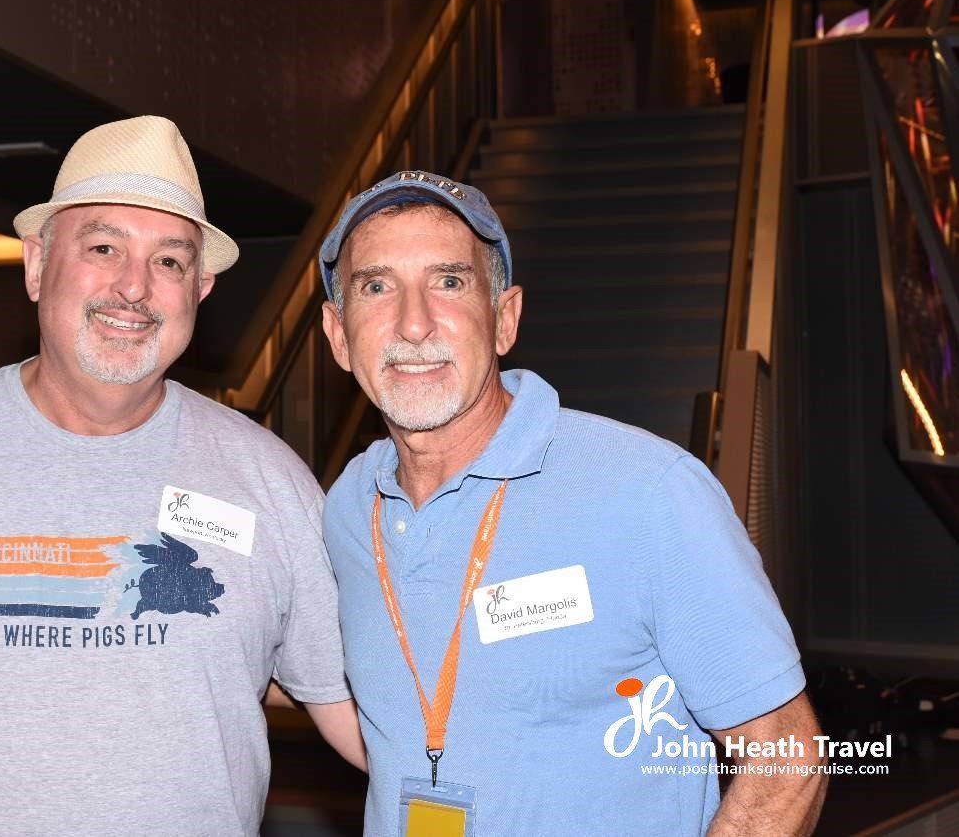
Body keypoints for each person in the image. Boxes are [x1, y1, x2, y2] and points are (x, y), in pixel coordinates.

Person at [0, 116, 363, 836]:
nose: (134, 287)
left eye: (169, 261)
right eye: (103, 247)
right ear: (37, 263)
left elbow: (356, 712)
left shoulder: (267, 477)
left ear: (199, 290)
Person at [317, 170, 826, 835]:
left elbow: (787, 758)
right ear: (336, 334)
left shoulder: (648, 491)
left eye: (448, 282)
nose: (413, 323)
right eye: (376, 286)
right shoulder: (347, 509)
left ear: (503, 319)